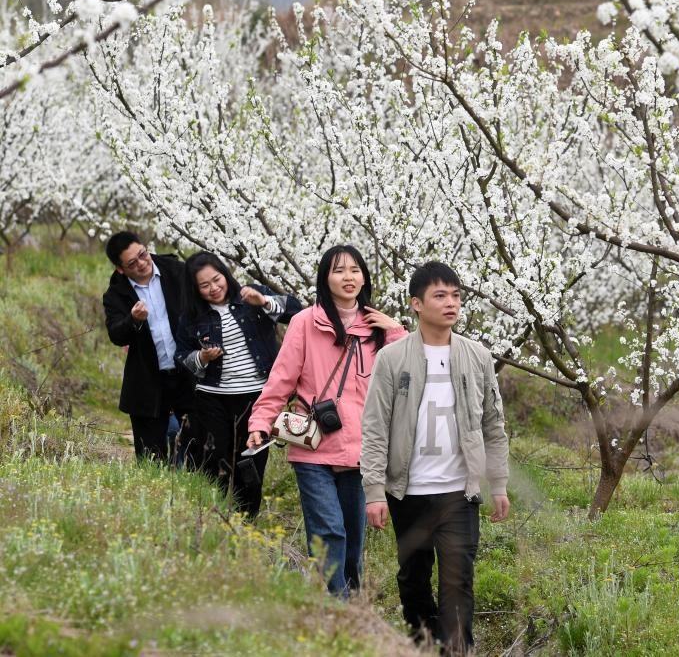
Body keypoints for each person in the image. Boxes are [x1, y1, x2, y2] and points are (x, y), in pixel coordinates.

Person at [360, 261, 511, 654]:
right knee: (413, 580)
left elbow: (493, 424)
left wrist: (498, 483)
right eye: (440, 296)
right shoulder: (392, 359)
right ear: (416, 304)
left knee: (457, 582)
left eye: (456, 295)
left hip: (460, 491)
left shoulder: (477, 356)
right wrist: (374, 491)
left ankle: (456, 650)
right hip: (408, 491)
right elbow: (375, 427)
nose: (451, 303)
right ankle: (424, 645)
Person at [246, 245, 406, 596]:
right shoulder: (305, 322)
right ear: (325, 278)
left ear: (364, 277)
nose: (348, 277)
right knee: (329, 531)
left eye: (355, 270)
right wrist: (260, 422)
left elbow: (411, 376)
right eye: (339, 270)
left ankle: (350, 599)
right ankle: (336, 605)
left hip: (361, 449)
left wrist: (397, 332)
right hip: (313, 445)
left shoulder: (380, 328)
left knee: (353, 534)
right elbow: (281, 379)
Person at [174, 252, 301, 518]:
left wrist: (264, 301)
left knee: (251, 460)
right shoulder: (192, 316)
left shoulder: (250, 296)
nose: (213, 288)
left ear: (225, 274)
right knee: (215, 459)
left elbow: (297, 312)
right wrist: (202, 357)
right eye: (204, 285)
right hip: (212, 397)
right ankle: (217, 516)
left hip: (257, 397)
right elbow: (181, 356)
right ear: (195, 289)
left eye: (216, 279)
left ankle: (247, 519)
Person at [102, 231, 194, 462]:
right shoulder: (116, 294)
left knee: (199, 449)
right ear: (120, 269)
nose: (142, 263)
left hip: (188, 373)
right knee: (150, 457)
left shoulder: (177, 271)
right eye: (132, 263)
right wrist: (133, 320)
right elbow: (116, 335)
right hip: (148, 380)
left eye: (143, 255)